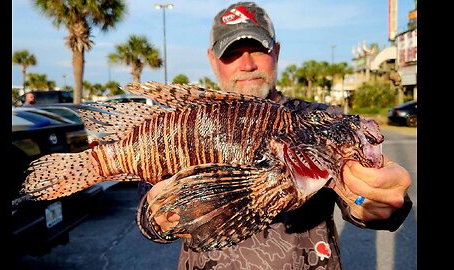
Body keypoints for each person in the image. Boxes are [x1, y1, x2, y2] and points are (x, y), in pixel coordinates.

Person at [136, 2, 412, 269]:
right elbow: (146, 203)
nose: (246, 64)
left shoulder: (319, 119)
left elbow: (363, 199)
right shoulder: (186, 124)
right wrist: (155, 219)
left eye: (257, 48)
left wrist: (376, 200)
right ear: (212, 59)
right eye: (231, 53)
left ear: (276, 52)